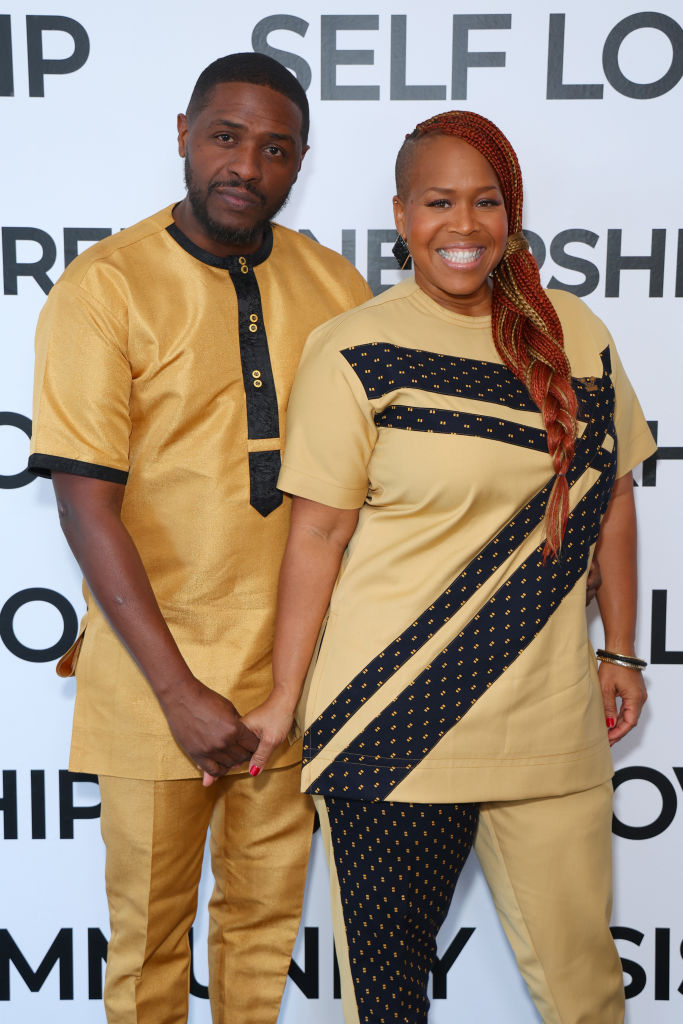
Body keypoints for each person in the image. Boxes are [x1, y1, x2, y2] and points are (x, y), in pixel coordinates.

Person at [241, 110, 656, 1023]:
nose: (461, 227)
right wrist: (281, 698)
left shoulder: (573, 334)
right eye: (437, 202)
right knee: (385, 1007)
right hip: (391, 725)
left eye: (485, 202)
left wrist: (620, 648)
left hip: (548, 726)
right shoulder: (355, 347)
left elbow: (613, 494)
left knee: (586, 993)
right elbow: (315, 536)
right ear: (399, 214)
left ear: (512, 215)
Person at [28, 53, 371, 1024]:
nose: (245, 166)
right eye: (225, 137)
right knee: (147, 941)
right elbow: (84, 502)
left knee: (262, 933)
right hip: (153, 685)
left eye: (274, 149)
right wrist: (178, 694)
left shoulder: (333, 285)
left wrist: (293, 685)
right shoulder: (107, 287)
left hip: (289, 685)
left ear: (298, 162)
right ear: (183, 134)